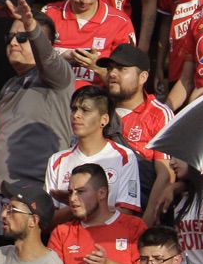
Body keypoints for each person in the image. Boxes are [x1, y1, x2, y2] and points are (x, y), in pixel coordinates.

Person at [0, 0, 74, 194]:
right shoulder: (10, 85)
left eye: (22, 37)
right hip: (3, 199)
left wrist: (31, 26)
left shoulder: (59, 77)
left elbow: (47, 58)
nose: (12, 42)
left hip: (39, 198)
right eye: (10, 37)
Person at [46, 87, 143, 218]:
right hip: (66, 237)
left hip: (106, 238)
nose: (76, 115)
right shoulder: (56, 160)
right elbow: (47, 220)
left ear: (104, 119)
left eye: (85, 110)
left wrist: (77, 203)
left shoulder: (124, 157)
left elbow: (126, 213)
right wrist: (76, 205)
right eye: (74, 109)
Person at [43, 0, 136, 85]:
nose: (84, 0)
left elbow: (126, 84)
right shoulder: (49, 13)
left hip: (98, 95)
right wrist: (60, 57)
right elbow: (30, 61)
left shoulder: (120, 22)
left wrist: (97, 67)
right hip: (51, 91)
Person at [104, 44, 173, 162]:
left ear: (143, 77)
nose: (112, 73)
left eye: (121, 68)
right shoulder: (99, 109)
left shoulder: (158, 114)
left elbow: (165, 174)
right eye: (110, 68)